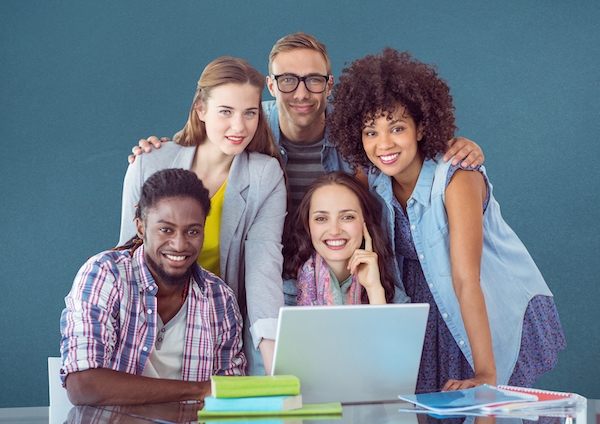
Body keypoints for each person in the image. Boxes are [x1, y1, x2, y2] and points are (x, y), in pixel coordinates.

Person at [129, 33, 485, 306]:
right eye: (287, 80)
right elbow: (212, 130)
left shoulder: (352, 135)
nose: (301, 92)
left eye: (314, 80)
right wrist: (158, 152)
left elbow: (397, 141)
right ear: (270, 85)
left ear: (329, 85)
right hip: (264, 280)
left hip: (344, 277)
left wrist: (449, 146)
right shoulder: (249, 123)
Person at [328, 47, 566, 393]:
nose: (383, 144)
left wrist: (486, 373)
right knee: (421, 409)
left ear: (422, 126)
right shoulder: (372, 177)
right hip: (416, 311)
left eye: (396, 128)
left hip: (473, 307)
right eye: (371, 132)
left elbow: (466, 277)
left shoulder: (457, 178)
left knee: (480, 404)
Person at [119, 56, 286, 376]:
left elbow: (263, 270)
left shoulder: (265, 176)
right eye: (226, 111)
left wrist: (277, 372)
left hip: (216, 336)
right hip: (150, 330)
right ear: (201, 109)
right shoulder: (148, 163)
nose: (240, 126)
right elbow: (128, 255)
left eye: (250, 113)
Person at [60, 169, 246, 405]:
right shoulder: (105, 275)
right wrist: (199, 390)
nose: (179, 245)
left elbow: (232, 397)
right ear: (141, 227)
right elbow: (83, 386)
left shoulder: (220, 298)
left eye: (192, 231)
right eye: (166, 229)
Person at [284, 171, 403, 305]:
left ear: (366, 222)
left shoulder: (394, 297)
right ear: (308, 226)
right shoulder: (283, 294)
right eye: (321, 218)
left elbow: (390, 326)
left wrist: (374, 289)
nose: (334, 230)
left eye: (347, 217)